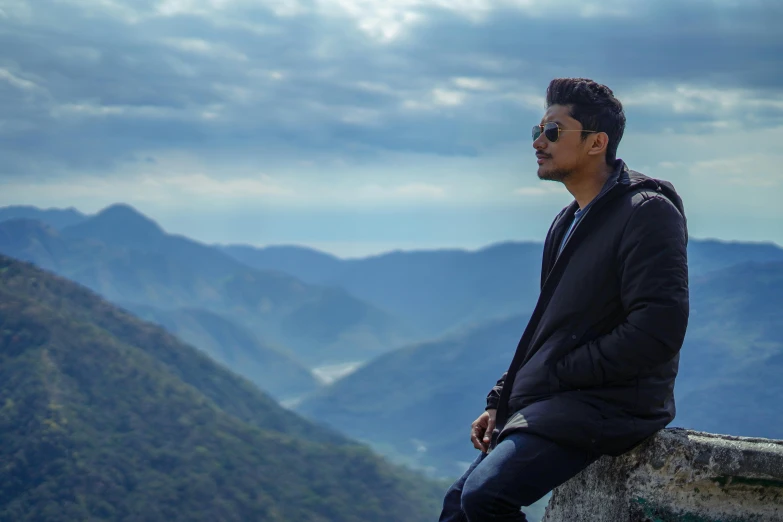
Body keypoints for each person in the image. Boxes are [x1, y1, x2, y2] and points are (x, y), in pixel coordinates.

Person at [439, 77, 689, 521]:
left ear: (597, 142)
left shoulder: (647, 212)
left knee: (485, 498)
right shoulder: (569, 219)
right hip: (563, 400)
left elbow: (657, 331)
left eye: (553, 131)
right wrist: (503, 396)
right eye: (537, 130)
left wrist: (559, 373)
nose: (538, 141)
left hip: (613, 405)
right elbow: (549, 327)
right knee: (459, 506)